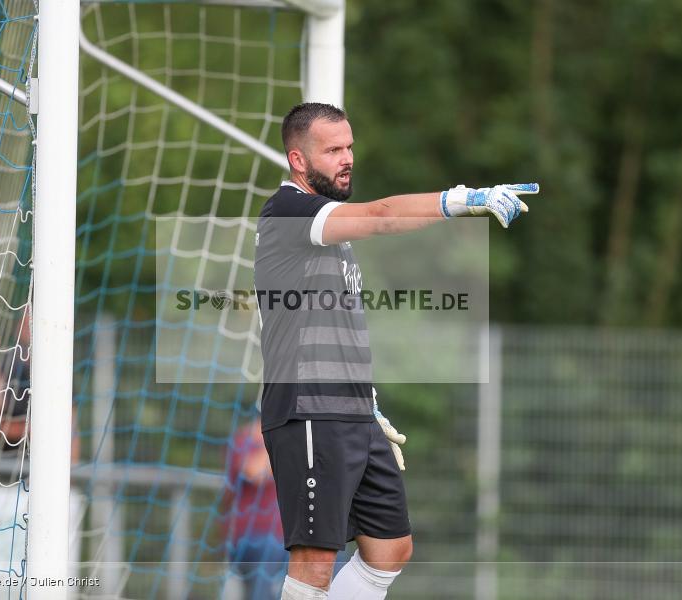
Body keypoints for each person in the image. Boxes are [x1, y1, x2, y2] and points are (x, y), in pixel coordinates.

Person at [253, 102, 538, 599]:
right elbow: (382, 216)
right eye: (333, 150)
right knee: (316, 560)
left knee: (390, 547)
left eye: (350, 147)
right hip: (310, 409)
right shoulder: (289, 211)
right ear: (298, 161)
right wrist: (463, 199)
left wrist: (365, 398)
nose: (347, 158)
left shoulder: (327, 230)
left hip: (352, 408)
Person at [223, 417, 290, 599]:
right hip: (254, 538)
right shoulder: (244, 439)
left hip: (289, 538)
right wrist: (282, 438)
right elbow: (255, 473)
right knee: (270, 550)